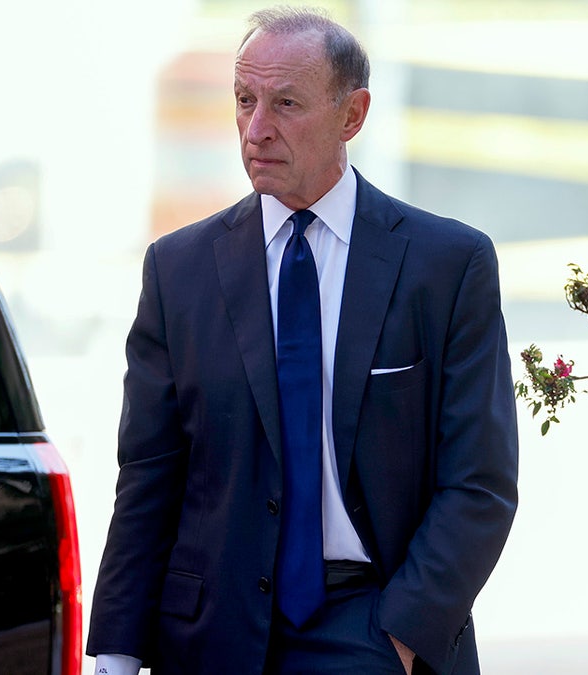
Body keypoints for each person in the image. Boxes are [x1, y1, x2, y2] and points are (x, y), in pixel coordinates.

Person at [85, 7, 519, 674]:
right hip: (210, 636)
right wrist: (116, 652)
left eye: (285, 103)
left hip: (371, 625)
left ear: (353, 115)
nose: (256, 129)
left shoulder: (447, 266)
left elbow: (479, 483)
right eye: (244, 100)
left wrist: (397, 640)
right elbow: (148, 477)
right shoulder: (177, 271)